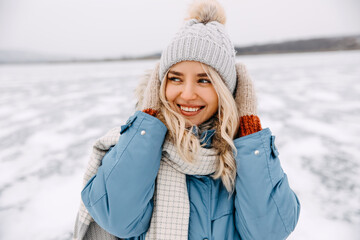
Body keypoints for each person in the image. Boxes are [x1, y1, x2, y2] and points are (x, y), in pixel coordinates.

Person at [73, 0, 300, 239]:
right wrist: (148, 121)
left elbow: (269, 232)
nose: (188, 94)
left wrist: (249, 130)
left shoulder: (244, 154)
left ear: (226, 90)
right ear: (159, 85)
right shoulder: (133, 144)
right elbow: (117, 219)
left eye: (204, 80)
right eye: (176, 79)